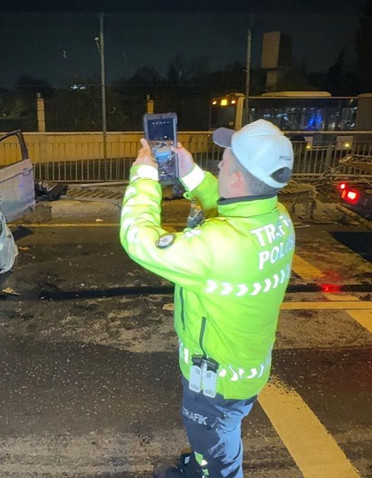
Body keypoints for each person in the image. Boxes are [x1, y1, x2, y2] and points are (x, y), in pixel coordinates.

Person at [119, 119, 296, 478]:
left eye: (223, 163)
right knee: (218, 436)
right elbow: (226, 202)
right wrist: (189, 172)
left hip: (216, 384)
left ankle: (210, 469)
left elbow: (138, 238)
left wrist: (144, 175)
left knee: (216, 446)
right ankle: (203, 465)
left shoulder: (221, 246)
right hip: (243, 369)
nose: (218, 166)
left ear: (237, 178)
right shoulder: (276, 217)